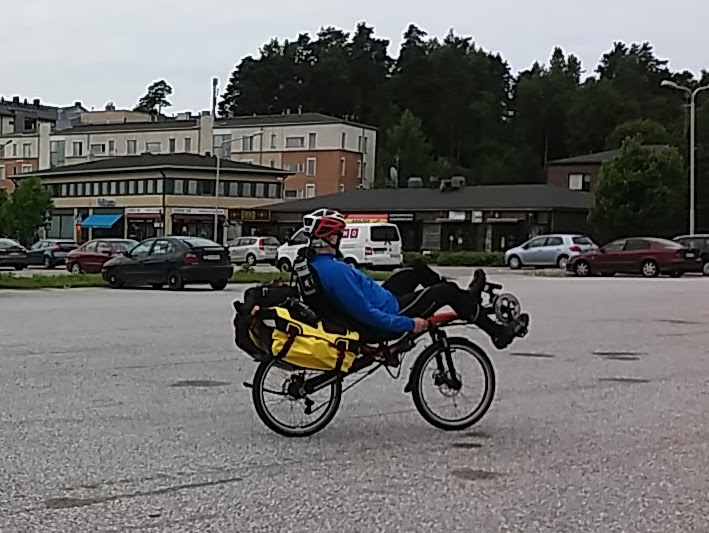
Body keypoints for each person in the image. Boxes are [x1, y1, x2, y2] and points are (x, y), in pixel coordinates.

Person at [301, 209, 529, 349]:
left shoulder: (318, 264)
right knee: (446, 291)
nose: (340, 239)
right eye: (338, 235)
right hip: (390, 314)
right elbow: (366, 314)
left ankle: (467, 300)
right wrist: (409, 324)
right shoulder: (335, 272)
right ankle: (497, 333)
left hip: (385, 299)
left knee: (417, 269)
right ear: (330, 237)